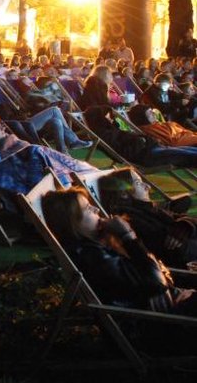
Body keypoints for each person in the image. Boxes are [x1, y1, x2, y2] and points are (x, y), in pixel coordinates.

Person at [42, 188, 197, 317]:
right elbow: (156, 285)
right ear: (73, 224)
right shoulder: (94, 258)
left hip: (176, 305)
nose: (96, 209)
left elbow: (153, 279)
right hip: (171, 321)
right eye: (88, 208)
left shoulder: (99, 248)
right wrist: (128, 237)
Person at [96, 169, 197, 269]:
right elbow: (180, 251)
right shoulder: (133, 221)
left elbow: (183, 220)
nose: (148, 187)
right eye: (138, 183)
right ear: (124, 194)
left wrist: (185, 225)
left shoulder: (148, 210)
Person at [84, 105, 197, 168]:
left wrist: (144, 140)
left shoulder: (112, 130)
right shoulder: (104, 135)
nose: (110, 118)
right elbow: (125, 151)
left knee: (191, 150)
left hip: (153, 147)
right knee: (188, 155)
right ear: (99, 119)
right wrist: (142, 141)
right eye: (107, 116)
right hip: (146, 155)